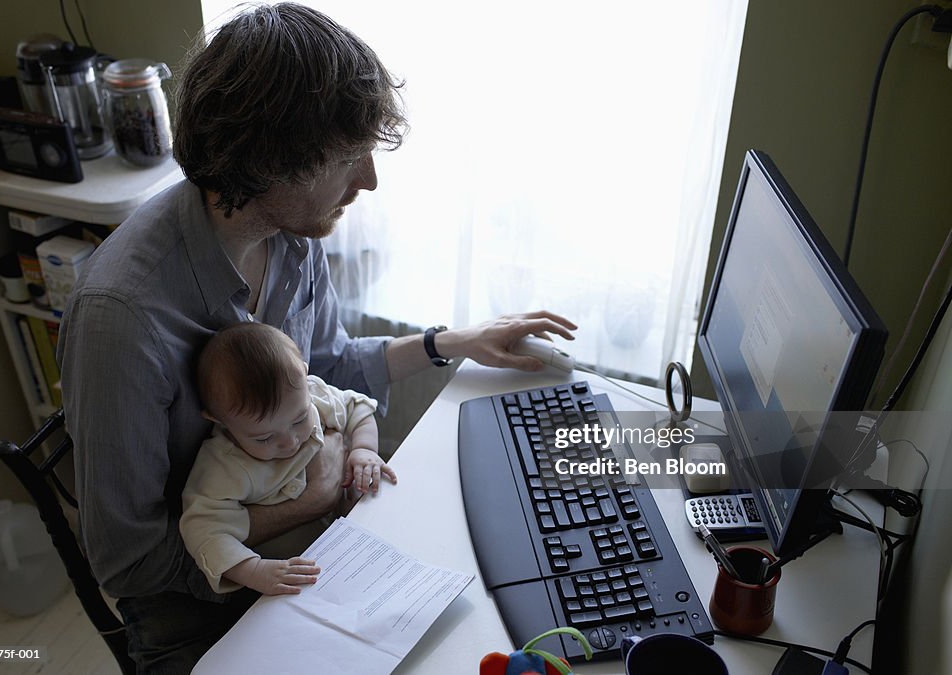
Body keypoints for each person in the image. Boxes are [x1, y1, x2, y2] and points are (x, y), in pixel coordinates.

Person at [56, 3, 576, 672]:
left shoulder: (291, 235)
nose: (369, 180)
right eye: (348, 157)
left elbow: (328, 365)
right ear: (275, 160)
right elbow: (128, 561)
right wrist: (317, 493)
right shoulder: (122, 319)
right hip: (199, 611)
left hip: (312, 544)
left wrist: (454, 342)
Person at [180, 322, 396, 596]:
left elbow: (357, 407)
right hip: (292, 575)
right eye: (264, 438)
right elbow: (203, 530)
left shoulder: (313, 395)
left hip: (353, 541)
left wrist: (364, 449)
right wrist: (254, 571)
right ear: (220, 421)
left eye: (300, 419)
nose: (289, 441)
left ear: (305, 376)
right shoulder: (223, 466)